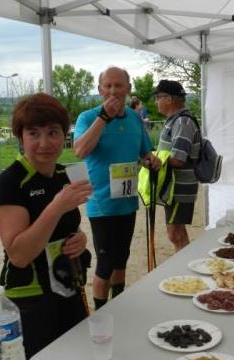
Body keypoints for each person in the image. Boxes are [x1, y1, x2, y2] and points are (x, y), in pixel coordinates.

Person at [0, 93, 92, 360]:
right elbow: (19, 254)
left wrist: (80, 240)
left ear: (64, 135)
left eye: (52, 132)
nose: (44, 143)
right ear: (21, 138)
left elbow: (63, 230)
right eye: (33, 133)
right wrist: (57, 205)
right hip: (30, 299)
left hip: (68, 287)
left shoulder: (63, 174)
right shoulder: (10, 182)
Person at [73, 66, 159, 310]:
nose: (113, 90)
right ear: (100, 89)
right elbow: (80, 151)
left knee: (122, 259)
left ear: (128, 89)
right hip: (101, 203)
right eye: (107, 85)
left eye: (118, 85)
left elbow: (144, 152)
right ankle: (101, 312)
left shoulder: (134, 118)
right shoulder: (88, 118)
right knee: (105, 262)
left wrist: (151, 160)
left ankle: (118, 304)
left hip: (127, 200)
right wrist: (103, 118)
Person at [154, 80, 199, 252]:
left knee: (176, 234)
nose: (156, 102)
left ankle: (187, 272)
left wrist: (154, 160)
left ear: (169, 99)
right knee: (176, 233)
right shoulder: (174, 120)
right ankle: (186, 269)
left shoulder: (182, 122)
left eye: (158, 97)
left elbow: (179, 159)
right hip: (173, 188)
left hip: (180, 188)